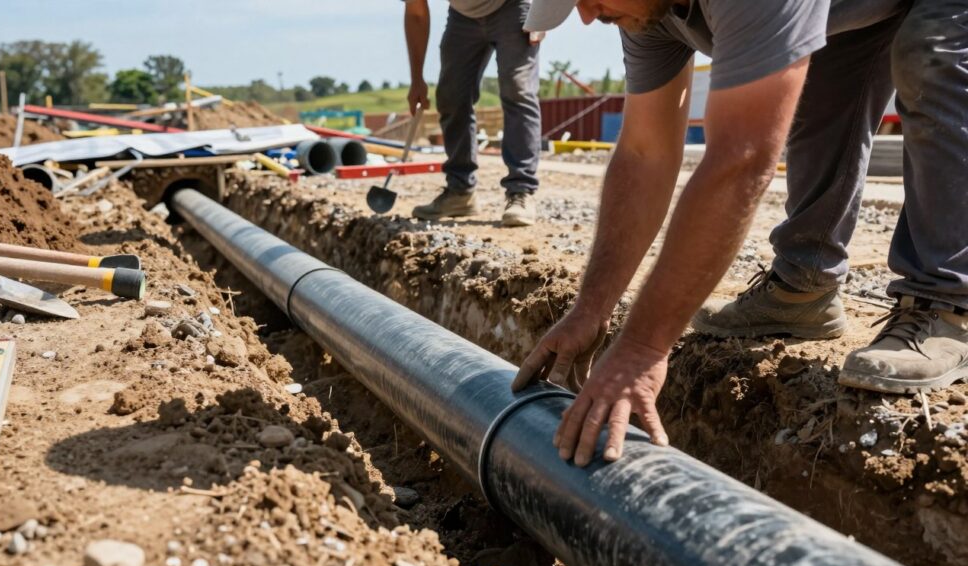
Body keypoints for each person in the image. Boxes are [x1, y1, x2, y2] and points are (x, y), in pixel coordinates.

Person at [513, 0, 968, 467]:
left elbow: (742, 160)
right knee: (815, 79)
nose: (587, 16)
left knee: (930, 51)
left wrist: (642, 348)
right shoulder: (641, 13)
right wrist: (592, 308)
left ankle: (946, 304)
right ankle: (804, 285)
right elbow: (644, 152)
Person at [403, 0, 543, 227]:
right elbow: (416, 11)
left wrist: (542, 13)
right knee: (451, 96)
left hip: (513, 7)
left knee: (517, 88)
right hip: (462, 16)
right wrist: (417, 79)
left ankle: (521, 191)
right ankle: (460, 192)